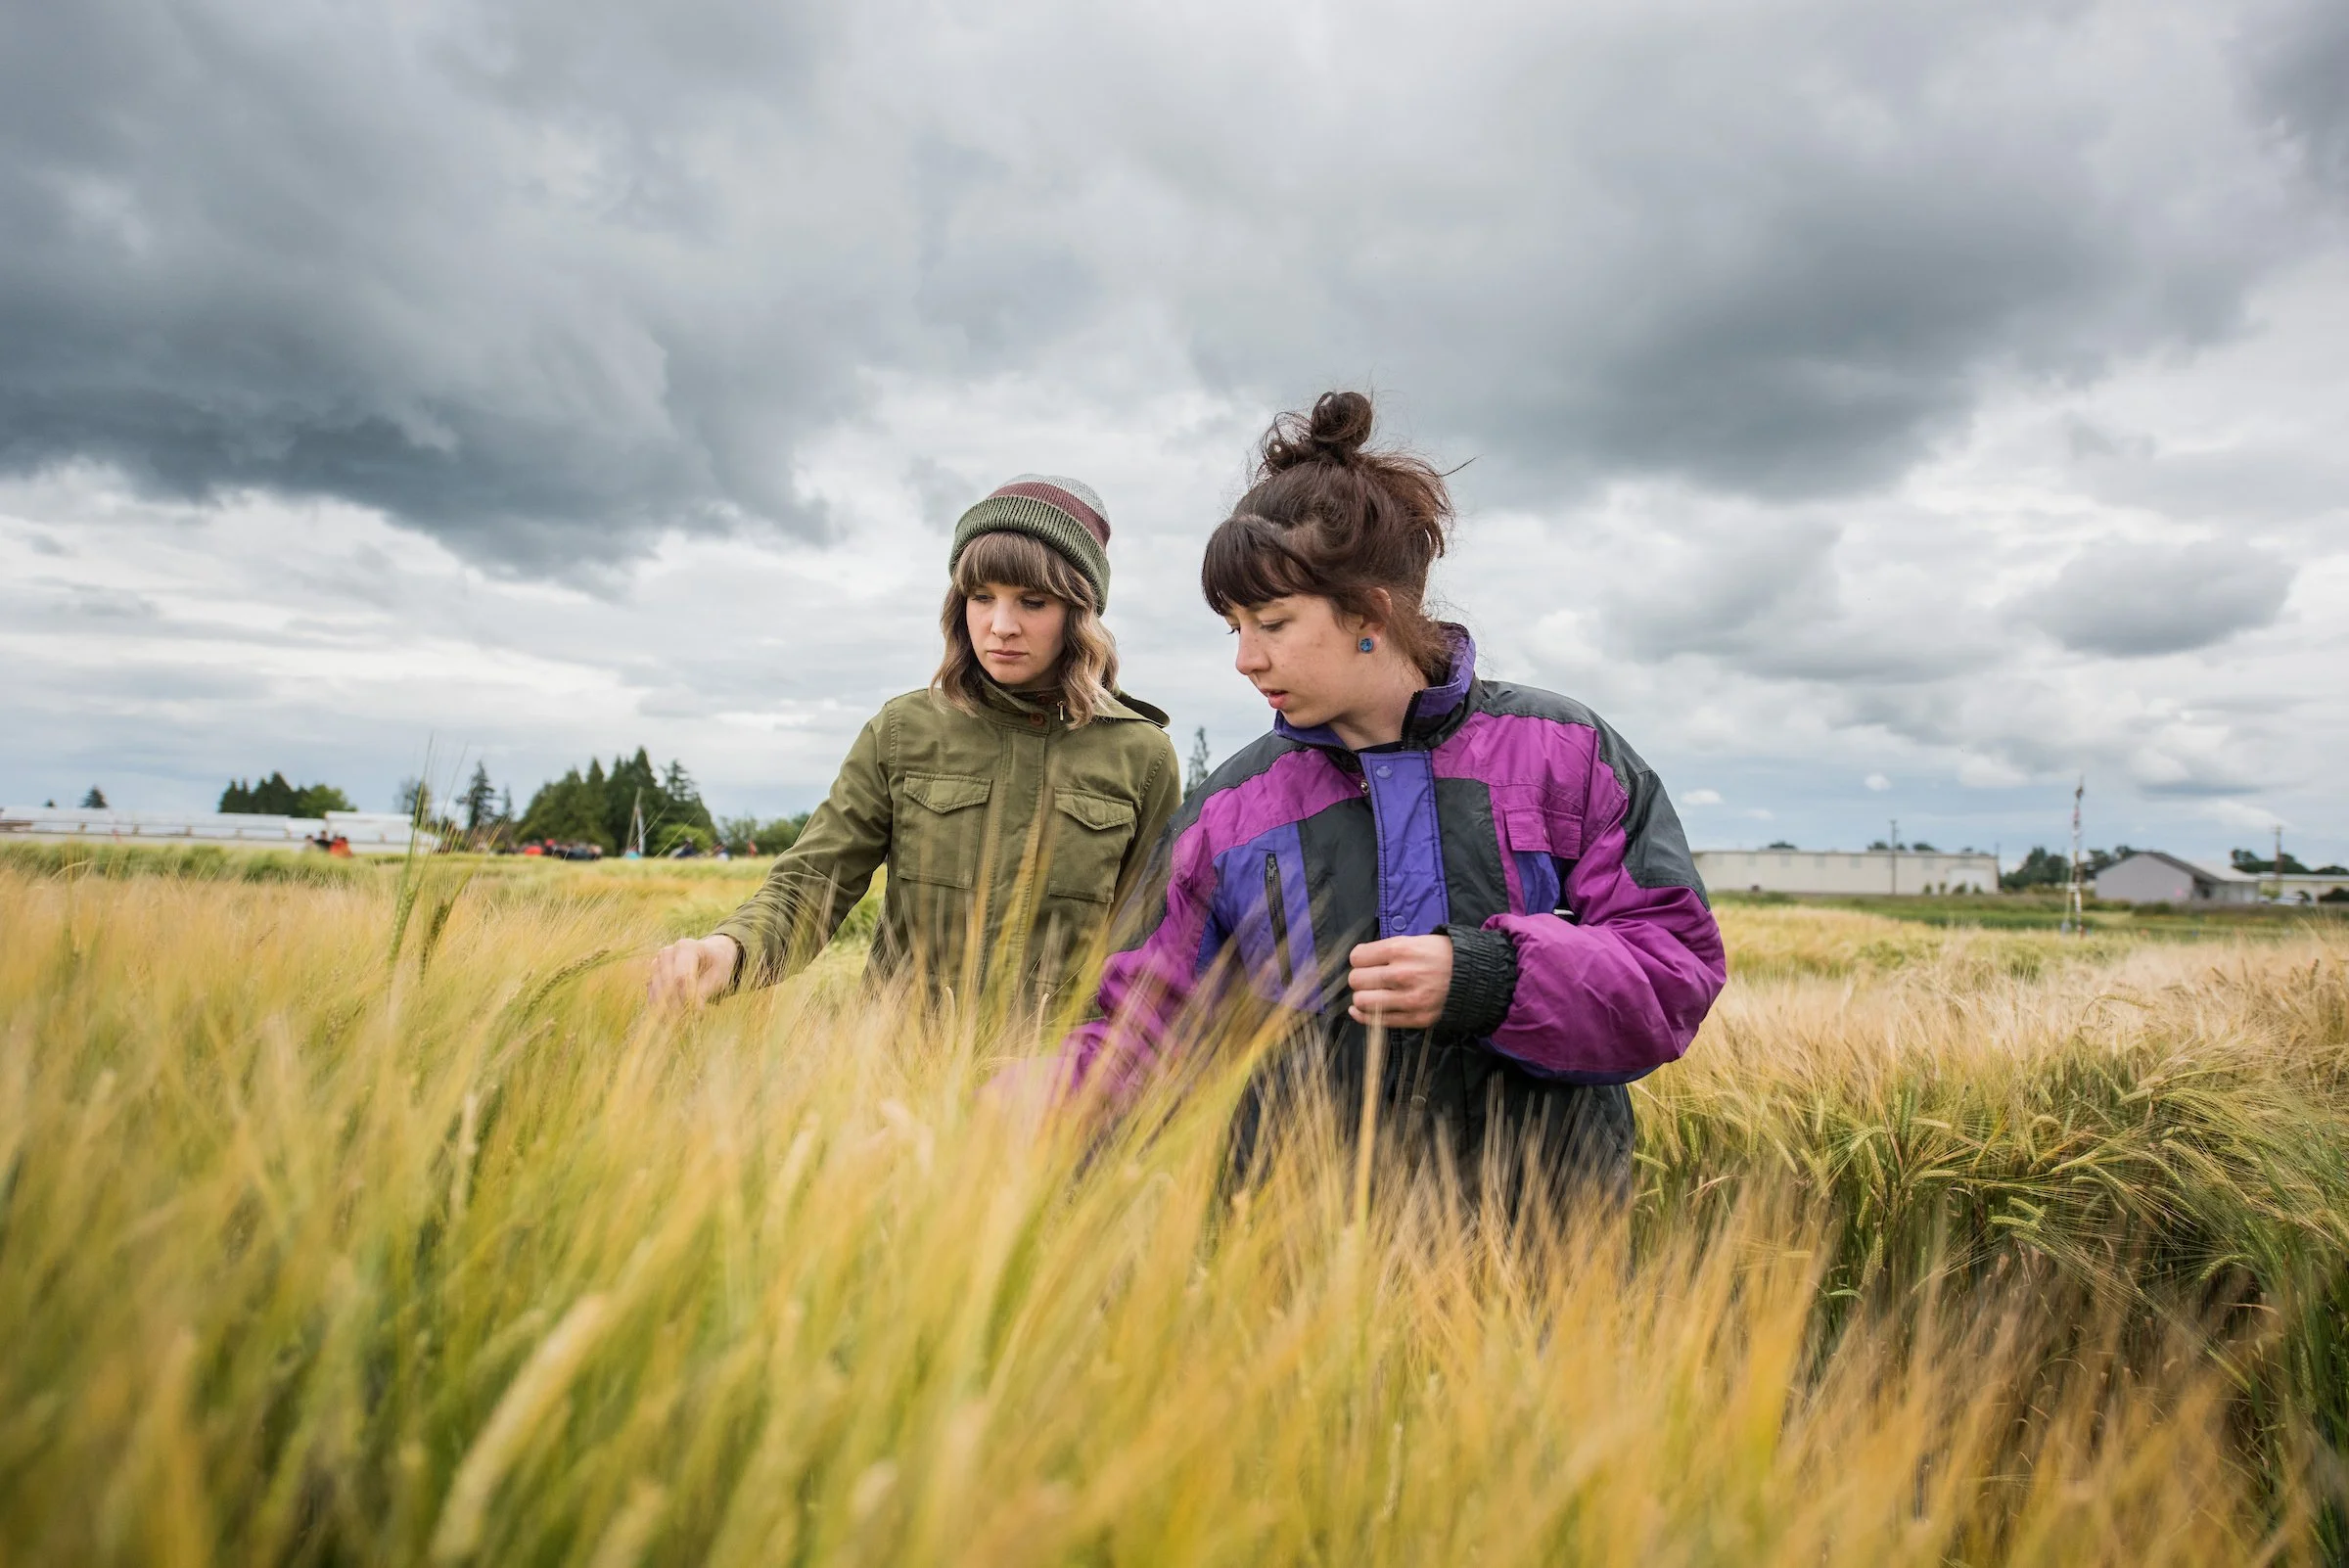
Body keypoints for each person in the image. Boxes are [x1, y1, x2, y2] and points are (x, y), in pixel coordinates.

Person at [1044, 393, 1726, 1202]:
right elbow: (1144, 1028)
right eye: (1235, 629)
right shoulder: (1229, 810)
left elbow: (1673, 972)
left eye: (1272, 622)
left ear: (1372, 613)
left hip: (1549, 1253)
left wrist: (1493, 980)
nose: (1246, 660)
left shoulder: (1567, 755)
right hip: (1298, 1259)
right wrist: (1022, 1105)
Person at [648, 476, 1182, 1012]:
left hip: (1057, 1078)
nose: (1000, 626)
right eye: (981, 597)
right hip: (897, 1071)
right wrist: (731, 951)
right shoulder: (904, 731)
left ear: (1079, 612)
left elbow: (1151, 945)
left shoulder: (1141, 755)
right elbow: (815, 881)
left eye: (1033, 602)